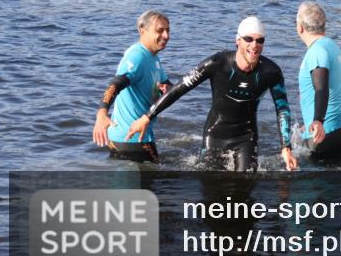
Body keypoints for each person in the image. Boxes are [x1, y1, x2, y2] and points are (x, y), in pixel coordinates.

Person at [126, 17, 296, 172]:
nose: (254, 45)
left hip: (246, 137)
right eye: (248, 39)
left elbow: (282, 108)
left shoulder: (271, 71)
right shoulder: (217, 63)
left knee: (246, 185)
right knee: (209, 189)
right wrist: (147, 117)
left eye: (260, 40)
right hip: (215, 134)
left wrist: (286, 147)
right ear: (238, 41)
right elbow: (180, 88)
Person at [93, 10, 172, 162]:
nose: (166, 36)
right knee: (153, 183)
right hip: (131, 137)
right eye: (160, 31)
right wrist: (101, 114)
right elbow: (115, 84)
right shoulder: (137, 56)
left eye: (168, 30)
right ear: (142, 31)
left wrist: (167, 89)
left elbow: (166, 84)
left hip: (137, 134)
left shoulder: (153, 57)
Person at [296, 2, 341, 161]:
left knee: (309, 183)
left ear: (300, 27)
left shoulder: (317, 51)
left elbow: (321, 88)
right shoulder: (331, 46)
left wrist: (317, 121)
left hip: (326, 132)